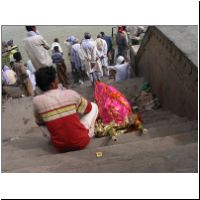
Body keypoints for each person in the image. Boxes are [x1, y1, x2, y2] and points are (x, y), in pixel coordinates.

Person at [33, 66, 99, 152]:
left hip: (60, 147)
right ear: (53, 83)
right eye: (56, 78)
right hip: (81, 141)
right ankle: (90, 131)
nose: (58, 80)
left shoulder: (36, 101)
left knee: (41, 123)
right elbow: (88, 108)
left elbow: (40, 122)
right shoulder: (70, 94)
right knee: (94, 106)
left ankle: (55, 139)